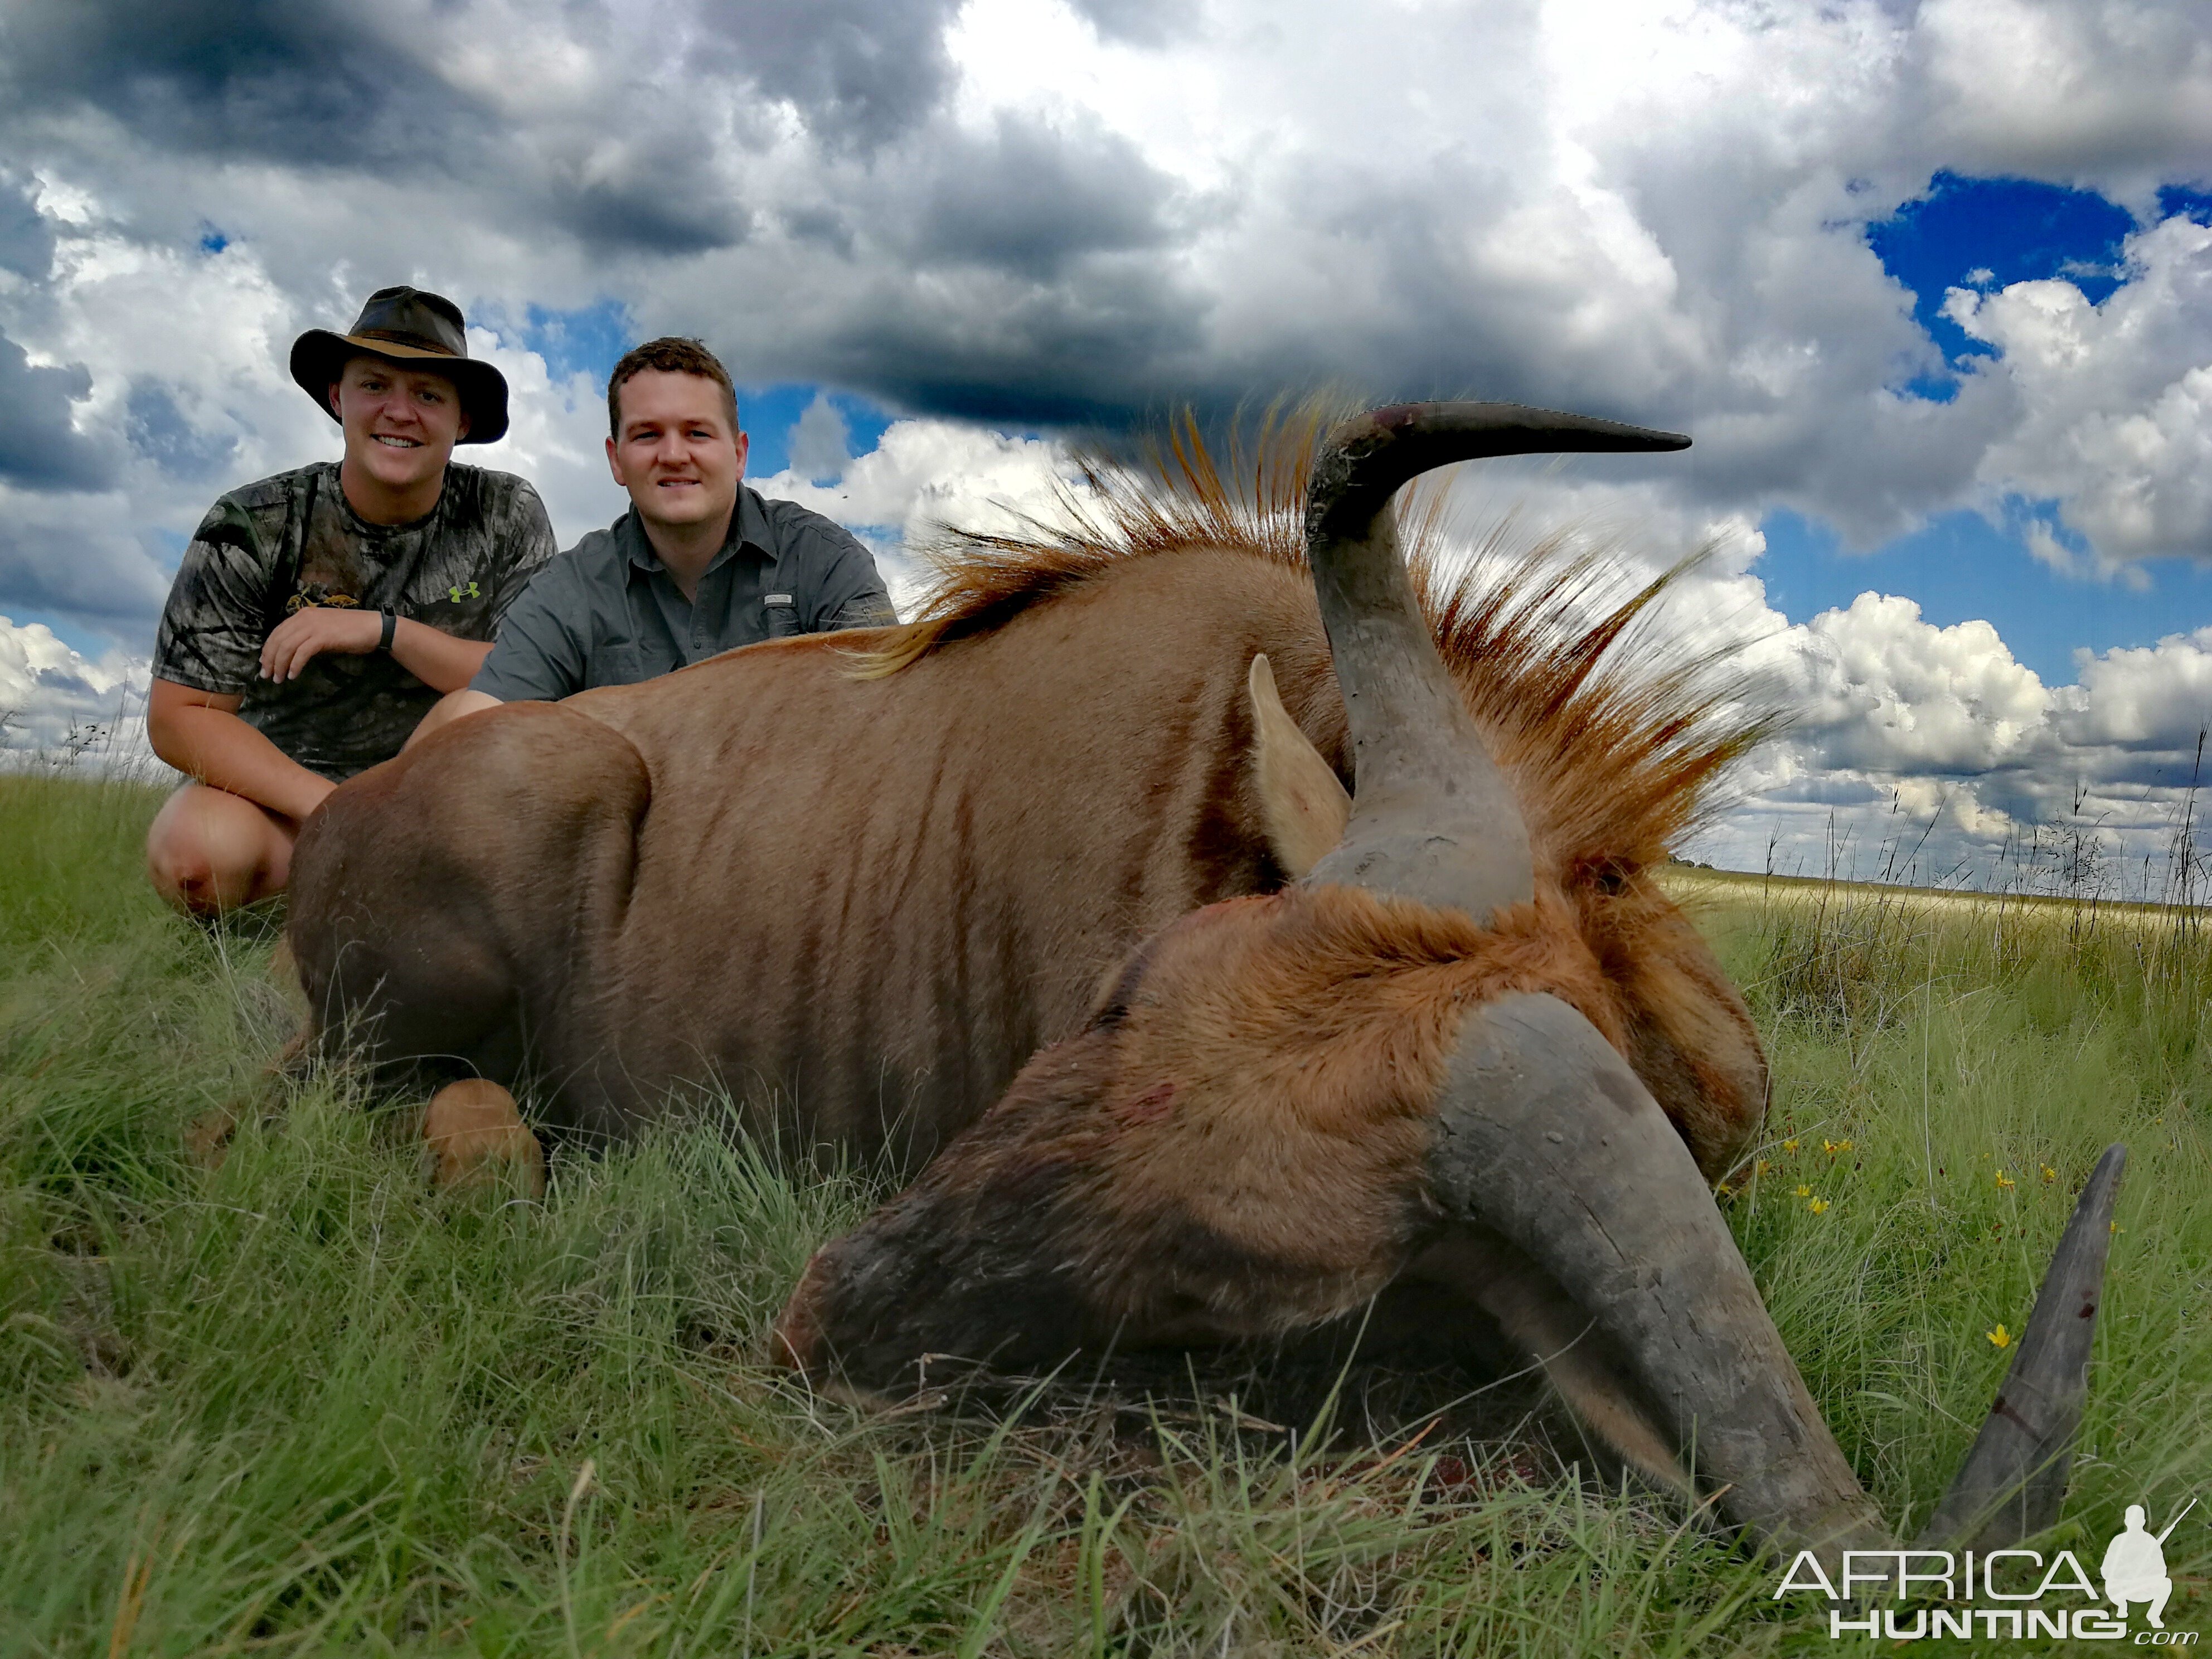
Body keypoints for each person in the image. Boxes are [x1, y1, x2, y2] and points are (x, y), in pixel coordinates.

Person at [144, 285, 556, 914]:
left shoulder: (506, 513)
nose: (399, 411)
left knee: (491, 726)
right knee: (195, 858)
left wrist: (386, 631)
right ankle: (284, 930)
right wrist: (336, 811)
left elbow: (529, 675)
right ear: (338, 399)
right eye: (375, 386)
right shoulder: (253, 521)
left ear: (461, 420)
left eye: (427, 395)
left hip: (436, 797)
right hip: (282, 803)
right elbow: (180, 716)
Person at [419, 336, 894, 734]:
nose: (673, 454)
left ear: (739, 453)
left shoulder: (824, 561)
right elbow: (486, 718)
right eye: (647, 435)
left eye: (697, 434)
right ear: (615, 459)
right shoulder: (572, 587)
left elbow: (890, 718)